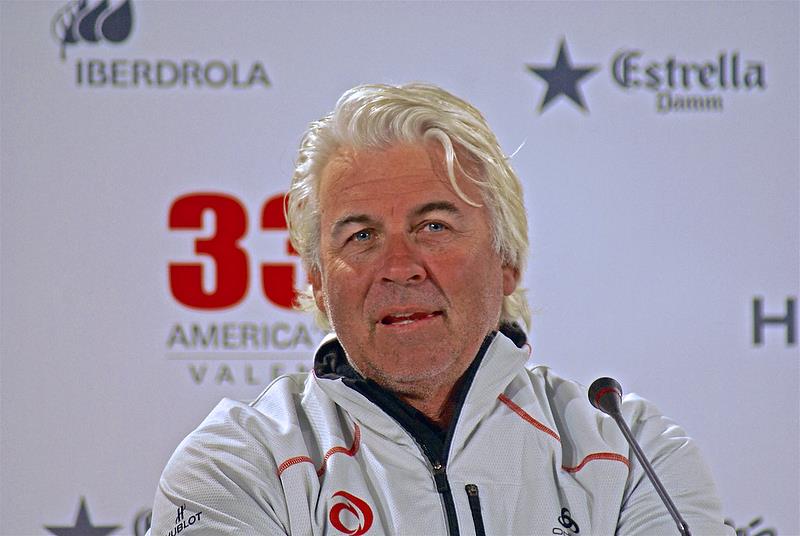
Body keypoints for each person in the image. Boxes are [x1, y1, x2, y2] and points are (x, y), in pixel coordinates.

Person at [147, 83, 732, 535]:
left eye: (433, 226)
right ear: (320, 283)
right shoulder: (240, 460)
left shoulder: (630, 453)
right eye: (361, 236)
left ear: (508, 260)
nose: (400, 265)